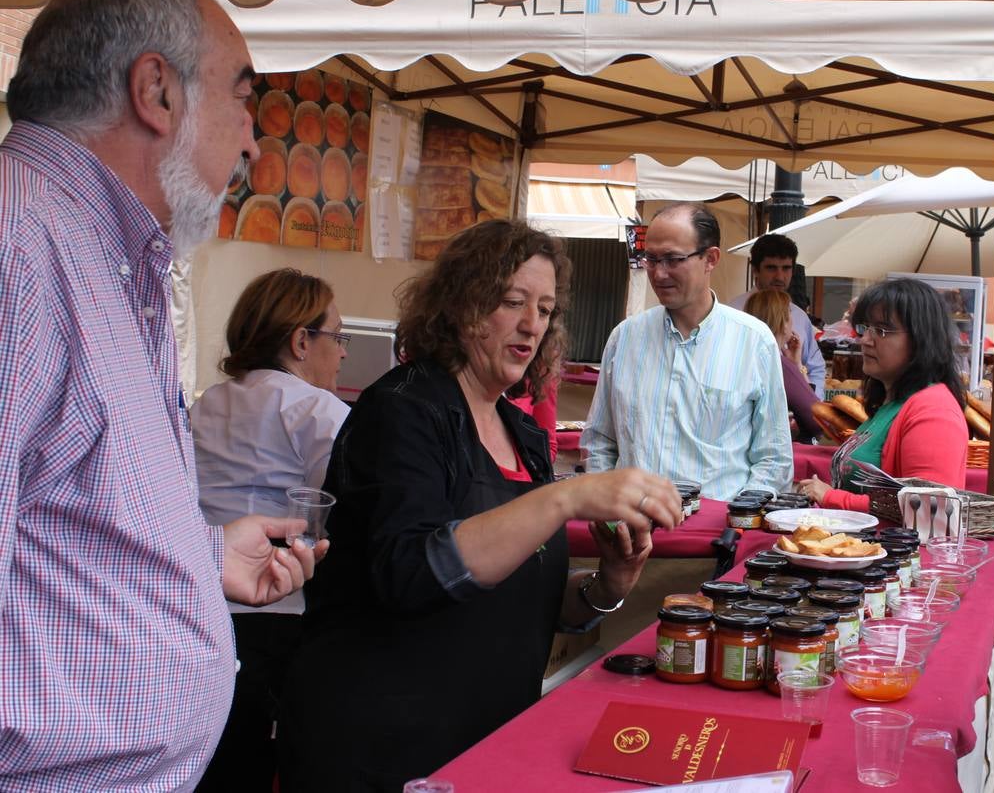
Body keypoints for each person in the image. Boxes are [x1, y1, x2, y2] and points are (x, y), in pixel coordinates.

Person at [0, 0, 322, 789]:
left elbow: (55, 513)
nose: (253, 140)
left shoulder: (102, 250)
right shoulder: (19, 246)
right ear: (157, 92)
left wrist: (194, 555)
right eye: (243, 98)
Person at [280, 220, 681, 790]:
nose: (530, 326)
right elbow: (413, 573)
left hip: (481, 742)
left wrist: (605, 587)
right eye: (512, 302)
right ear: (463, 306)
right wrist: (564, 497)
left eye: (544, 310)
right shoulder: (402, 410)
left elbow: (517, 595)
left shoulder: (522, 435)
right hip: (380, 749)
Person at [191, 269, 352, 792]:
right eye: (338, 337)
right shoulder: (317, 409)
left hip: (201, 604)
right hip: (275, 612)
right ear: (302, 341)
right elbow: (345, 510)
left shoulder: (206, 403)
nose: (344, 353)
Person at [582, 203, 792, 501]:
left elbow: (774, 458)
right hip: (629, 529)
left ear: (711, 258)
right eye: (651, 259)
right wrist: (608, 511)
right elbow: (599, 440)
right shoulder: (624, 338)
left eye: (673, 259)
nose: (659, 272)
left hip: (714, 536)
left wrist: (736, 522)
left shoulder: (754, 342)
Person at [797, 278, 967, 511]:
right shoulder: (891, 403)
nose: (865, 340)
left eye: (882, 330)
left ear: (921, 338)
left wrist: (832, 497)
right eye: (866, 328)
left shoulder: (934, 410)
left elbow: (927, 508)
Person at [730, 233, 826, 396]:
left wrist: (810, 405)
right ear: (755, 270)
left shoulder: (800, 317)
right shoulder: (733, 313)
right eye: (771, 268)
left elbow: (815, 368)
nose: (780, 277)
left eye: (786, 268)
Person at [744, 289, 823, 441]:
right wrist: (795, 367)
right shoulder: (778, 365)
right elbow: (817, 419)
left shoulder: (748, 356)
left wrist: (796, 363)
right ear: (783, 322)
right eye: (789, 313)